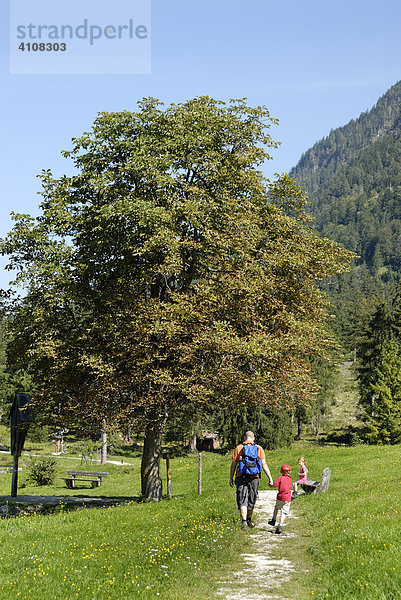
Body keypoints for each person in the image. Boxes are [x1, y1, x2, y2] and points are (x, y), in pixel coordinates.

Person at [229, 431, 274, 530]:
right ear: (253, 438)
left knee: (242, 499)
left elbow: (234, 464)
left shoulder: (239, 448)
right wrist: (270, 478)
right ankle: (249, 519)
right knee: (251, 498)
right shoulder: (259, 448)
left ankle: (244, 521)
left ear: (244, 438)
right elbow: (264, 464)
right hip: (254, 477)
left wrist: (231, 477)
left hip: (241, 476)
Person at [268, 464, 292, 534]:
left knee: (276, 508)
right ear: (289, 472)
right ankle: (280, 525)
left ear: (281, 471)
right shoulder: (290, 479)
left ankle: (273, 519)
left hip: (280, 497)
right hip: (287, 498)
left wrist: (270, 485)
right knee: (284, 512)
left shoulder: (280, 478)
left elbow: (275, 485)